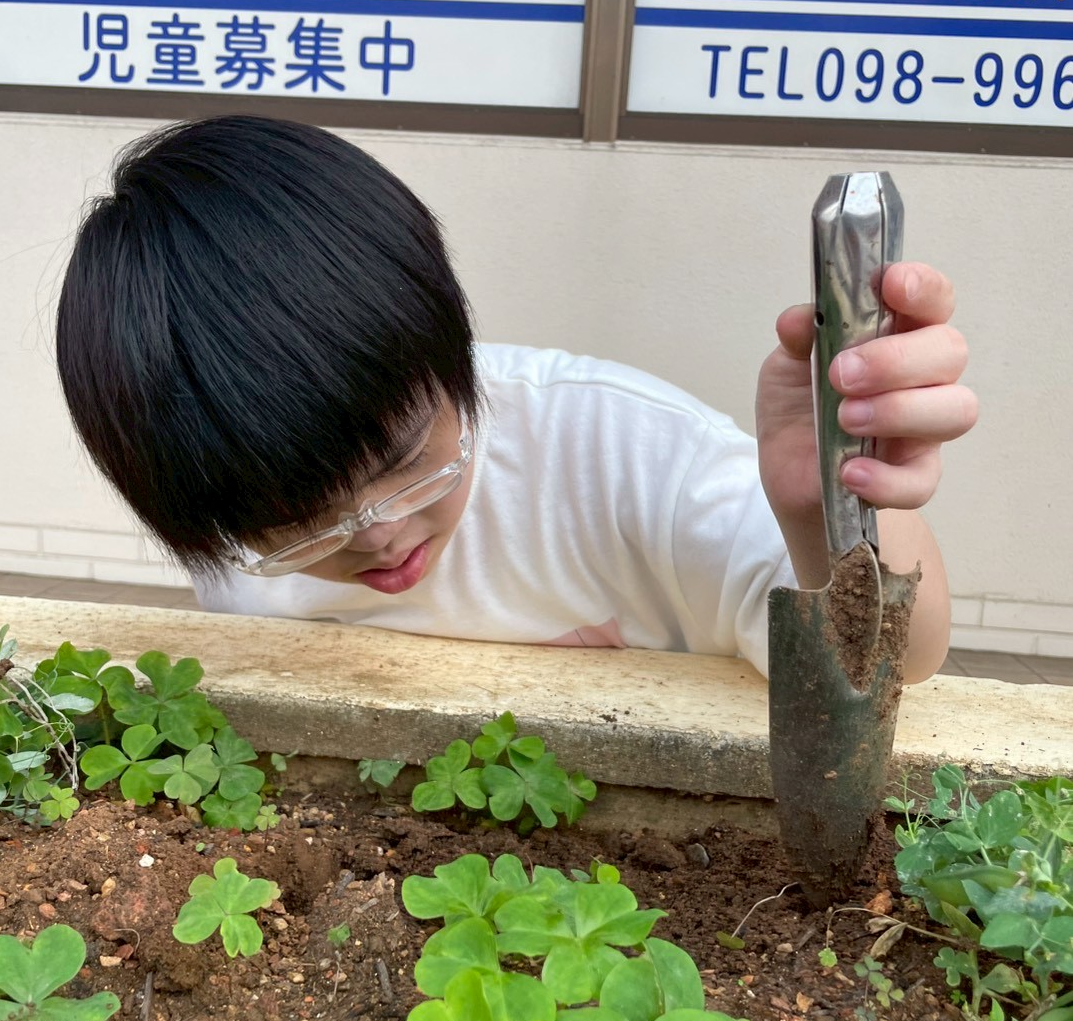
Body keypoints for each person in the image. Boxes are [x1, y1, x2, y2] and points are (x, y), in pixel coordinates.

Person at [55, 116, 977, 682]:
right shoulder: (229, 508)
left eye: (404, 459)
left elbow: (900, 660)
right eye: (300, 521)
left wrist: (833, 514)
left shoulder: (627, 457)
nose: (378, 533)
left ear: (450, 351)